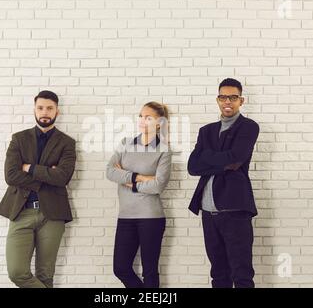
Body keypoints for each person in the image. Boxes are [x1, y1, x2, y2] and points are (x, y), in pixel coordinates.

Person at [0, 90, 76, 288]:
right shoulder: (19, 139)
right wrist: (48, 175)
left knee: (45, 275)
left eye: (50, 108)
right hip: (21, 211)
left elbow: (63, 177)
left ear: (57, 111)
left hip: (53, 214)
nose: (45, 112)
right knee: (17, 272)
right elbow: (11, 176)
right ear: (34, 109)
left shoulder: (67, 143)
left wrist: (30, 168)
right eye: (40, 108)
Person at [187, 78, 259, 288]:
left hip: (235, 208)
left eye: (233, 97)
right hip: (208, 211)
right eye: (223, 97)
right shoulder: (206, 131)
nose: (228, 101)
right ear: (217, 100)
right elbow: (193, 167)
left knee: (242, 273)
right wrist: (221, 160)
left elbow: (236, 159)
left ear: (241, 100)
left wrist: (206, 156)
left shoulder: (248, 127)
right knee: (218, 274)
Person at [106, 101, 172, 288]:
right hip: (126, 216)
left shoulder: (164, 150)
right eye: (141, 116)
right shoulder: (126, 143)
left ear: (159, 123)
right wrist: (140, 177)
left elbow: (158, 185)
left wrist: (128, 182)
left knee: (150, 270)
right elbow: (110, 171)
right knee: (121, 268)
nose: (143, 121)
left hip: (151, 217)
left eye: (148, 117)